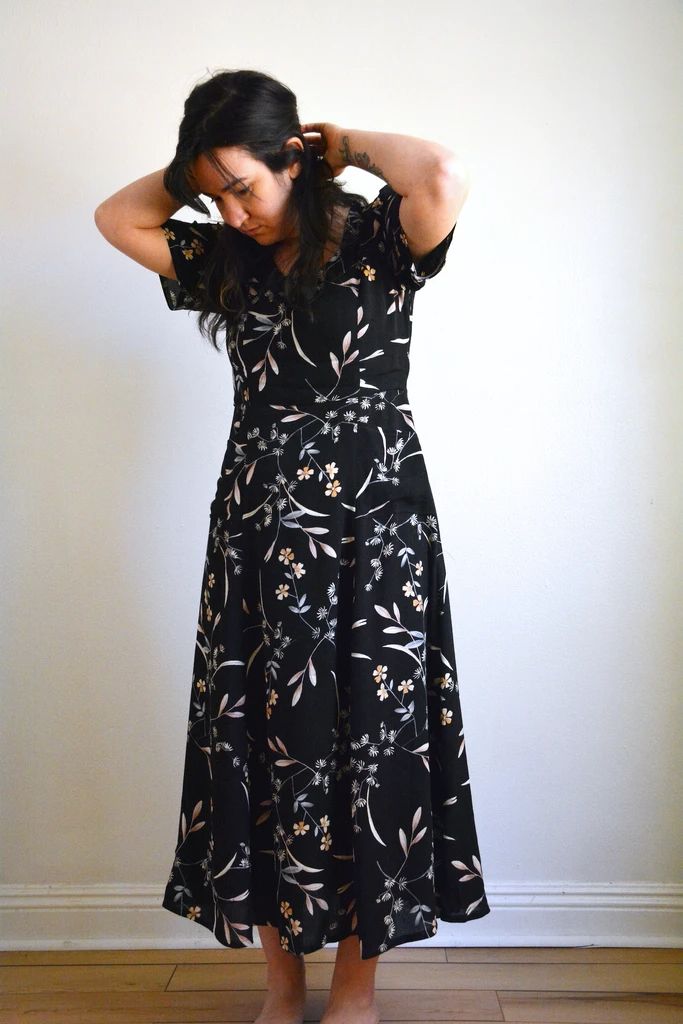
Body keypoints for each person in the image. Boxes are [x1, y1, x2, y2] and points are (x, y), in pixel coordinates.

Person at [95, 68, 491, 1024]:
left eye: (247, 186)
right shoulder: (224, 258)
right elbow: (118, 217)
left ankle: (355, 988)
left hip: (374, 533)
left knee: (371, 746)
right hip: (258, 532)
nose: (232, 212)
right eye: (214, 194)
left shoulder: (375, 239)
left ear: (293, 161)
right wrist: (200, 171)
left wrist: (342, 144)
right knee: (257, 749)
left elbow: (439, 169)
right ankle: (281, 980)